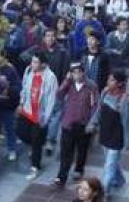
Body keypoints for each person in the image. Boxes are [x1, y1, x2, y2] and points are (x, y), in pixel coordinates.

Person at [87, 70, 129, 197]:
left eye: (112, 80)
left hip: (116, 138)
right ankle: (119, 180)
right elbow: (99, 110)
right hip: (105, 134)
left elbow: (127, 123)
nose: (108, 82)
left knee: (109, 165)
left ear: (119, 83)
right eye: (109, 79)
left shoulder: (125, 100)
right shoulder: (105, 92)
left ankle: (104, 191)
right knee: (111, 162)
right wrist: (93, 123)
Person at [53, 62, 98, 187]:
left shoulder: (91, 86)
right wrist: (66, 81)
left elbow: (95, 106)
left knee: (82, 149)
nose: (76, 75)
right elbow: (59, 95)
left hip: (84, 123)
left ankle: (79, 168)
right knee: (66, 151)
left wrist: (92, 122)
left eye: (79, 72)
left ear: (83, 72)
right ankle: (61, 176)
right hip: (68, 123)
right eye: (74, 72)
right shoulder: (69, 84)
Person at [18, 52, 59, 181]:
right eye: (32, 61)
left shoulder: (50, 77)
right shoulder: (28, 70)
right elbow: (24, 87)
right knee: (21, 133)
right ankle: (35, 145)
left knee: (36, 141)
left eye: (36, 62)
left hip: (39, 115)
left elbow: (52, 99)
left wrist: (46, 118)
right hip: (27, 110)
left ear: (43, 64)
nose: (32, 64)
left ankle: (35, 166)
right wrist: (21, 102)